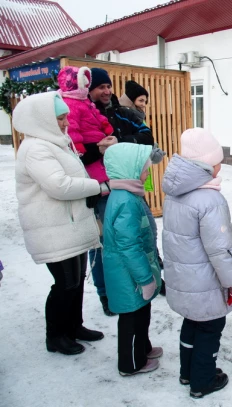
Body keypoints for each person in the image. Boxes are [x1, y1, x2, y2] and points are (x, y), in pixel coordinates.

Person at [13, 91, 104, 355]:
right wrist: (97, 186)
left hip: (70, 224)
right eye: (60, 118)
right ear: (42, 120)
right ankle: (55, 336)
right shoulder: (35, 149)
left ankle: (74, 326)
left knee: (75, 281)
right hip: (52, 228)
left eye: (65, 117)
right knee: (64, 284)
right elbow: (58, 185)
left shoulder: (57, 143)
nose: (66, 122)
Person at [162, 128, 232, 398]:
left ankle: (187, 373)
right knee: (210, 327)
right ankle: (203, 381)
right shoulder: (209, 200)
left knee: (192, 322)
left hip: (184, 279)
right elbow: (221, 249)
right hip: (206, 282)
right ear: (209, 163)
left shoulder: (176, 194)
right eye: (218, 159)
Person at [85, 69, 159, 315]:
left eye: (108, 86)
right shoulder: (82, 117)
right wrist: (101, 149)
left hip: (133, 184)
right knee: (107, 243)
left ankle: (150, 276)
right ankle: (107, 292)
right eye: (100, 87)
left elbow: (149, 142)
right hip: (102, 192)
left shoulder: (123, 114)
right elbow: (82, 154)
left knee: (147, 229)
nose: (106, 91)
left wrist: (119, 140)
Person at [101, 142, 162, 376]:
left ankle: (143, 349)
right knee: (131, 319)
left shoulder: (128, 195)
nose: (147, 172)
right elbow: (129, 246)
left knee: (141, 312)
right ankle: (131, 363)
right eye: (144, 168)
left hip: (131, 273)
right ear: (130, 169)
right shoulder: (126, 201)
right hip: (130, 275)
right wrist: (145, 278)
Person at [118, 80, 167, 292]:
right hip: (125, 182)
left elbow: (147, 147)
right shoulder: (121, 118)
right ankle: (147, 275)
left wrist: (152, 154)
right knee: (144, 230)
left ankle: (153, 264)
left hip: (139, 180)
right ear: (130, 100)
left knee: (147, 228)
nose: (143, 105)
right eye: (140, 100)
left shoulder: (138, 119)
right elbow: (128, 150)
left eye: (145, 101)